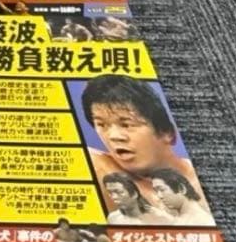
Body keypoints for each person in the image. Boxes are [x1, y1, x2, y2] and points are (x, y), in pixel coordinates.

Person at [81, 74, 207, 212]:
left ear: (167, 132)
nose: (114, 136)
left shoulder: (202, 187)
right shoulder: (97, 167)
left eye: (126, 124)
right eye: (102, 125)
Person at [101, 171, 171, 225]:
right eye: (110, 193)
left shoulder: (159, 217)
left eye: (119, 192)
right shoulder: (113, 218)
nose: (114, 197)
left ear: (134, 194)